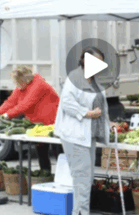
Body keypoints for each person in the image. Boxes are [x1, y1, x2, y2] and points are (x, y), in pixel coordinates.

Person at [54, 47, 110, 215]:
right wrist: (86, 113)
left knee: (86, 179)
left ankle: (79, 211)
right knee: (82, 179)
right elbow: (67, 103)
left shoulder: (94, 81)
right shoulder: (75, 78)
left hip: (88, 136)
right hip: (75, 136)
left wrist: (109, 122)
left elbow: (101, 106)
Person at [0, 66, 59, 172]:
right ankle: (46, 178)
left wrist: (7, 115)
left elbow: (25, 105)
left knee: (58, 152)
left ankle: (65, 180)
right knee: (42, 153)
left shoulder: (39, 84)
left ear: (25, 79)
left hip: (52, 122)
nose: (16, 85)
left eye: (18, 82)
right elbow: (11, 101)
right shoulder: (22, 85)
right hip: (38, 124)